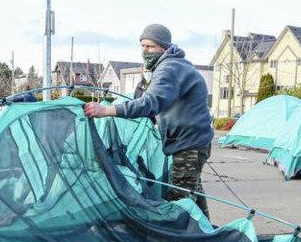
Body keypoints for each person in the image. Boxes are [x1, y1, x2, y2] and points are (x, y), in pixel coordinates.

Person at [83, 24, 214, 218]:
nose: (144, 51)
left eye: (150, 47)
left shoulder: (170, 68)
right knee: (193, 190)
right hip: (191, 141)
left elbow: (149, 103)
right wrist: (145, 80)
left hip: (190, 144)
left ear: (164, 47)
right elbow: (143, 98)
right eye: (142, 46)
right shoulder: (169, 66)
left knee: (180, 201)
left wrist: (106, 110)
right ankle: (206, 233)